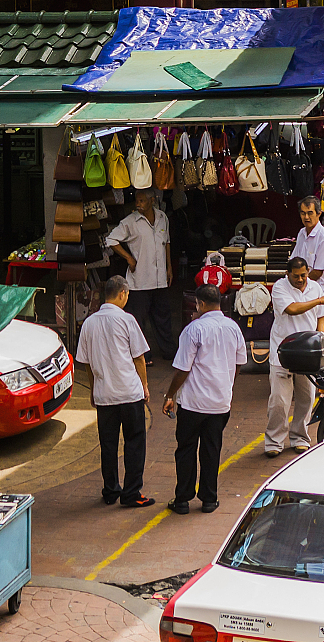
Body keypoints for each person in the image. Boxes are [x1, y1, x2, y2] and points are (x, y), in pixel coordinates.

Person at [164, 285, 248, 514]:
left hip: (193, 403)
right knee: (212, 450)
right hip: (220, 403)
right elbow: (239, 363)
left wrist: (170, 394)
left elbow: (182, 369)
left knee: (186, 450)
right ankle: (209, 499)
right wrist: (226, 384)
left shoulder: (194, 329)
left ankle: (182, 499)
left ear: (199, 304)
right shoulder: (234, 328)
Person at [76, 276, 154, 508]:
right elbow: (139, 358)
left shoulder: (89, 323)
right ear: (122, 293)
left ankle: (111, 490)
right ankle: (131, 493)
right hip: (129, 393)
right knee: (134, 442)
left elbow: (87, 363)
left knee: (108, 445)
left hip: (104, 395)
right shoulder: (127, 320)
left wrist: (93, 390)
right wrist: (145, 387)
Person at [264, 257, 324, 455]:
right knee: (279, 400)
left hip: (308, 352)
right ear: (288, 274)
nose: (300, 280)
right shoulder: (279, 288)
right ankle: (273, 442)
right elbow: (292, 309)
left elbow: (321, 315)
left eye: (303, 275)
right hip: (282, 351)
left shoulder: (315, 287)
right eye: (296, 276)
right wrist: (318, 300)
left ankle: (300, 437)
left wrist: (321, 335)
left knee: (306, 397)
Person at [105, 186, 175, 360]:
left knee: (163, 317)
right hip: (140, 280)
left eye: (142, 200)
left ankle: (168, 351)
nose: (138, 204)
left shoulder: (162, 217)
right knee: (138, 320)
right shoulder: (130, 221)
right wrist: (128, 258)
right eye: (137, 200)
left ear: (152, 201)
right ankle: (144, 355)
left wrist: (169, 267)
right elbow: (111, 239)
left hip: (160, 279)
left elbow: (166, 242)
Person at [290, 196, 324, 279]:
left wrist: (299, 284)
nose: (306, 217)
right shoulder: (302, 233)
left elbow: (318, 272)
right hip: (301, 285)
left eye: (310, 213)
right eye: (303, 213)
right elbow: (293, 262)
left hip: (318, 288)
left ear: (319, 214)